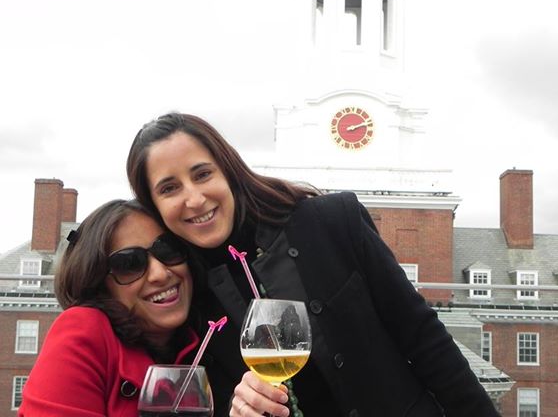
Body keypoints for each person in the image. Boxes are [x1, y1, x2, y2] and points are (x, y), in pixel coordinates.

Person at [126, 112, 501, 417]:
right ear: (153, 205)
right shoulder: (184, 294)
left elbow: (425, 339)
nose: (194, 199)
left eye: (202, 174)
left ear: (228, 170)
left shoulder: (332, 222)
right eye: (169, 188)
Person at [19, 199, 201, 417]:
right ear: (98, 283)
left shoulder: (205, 337)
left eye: (167, 249)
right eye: (129, 264)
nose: (160, 274)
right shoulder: (84, 331)